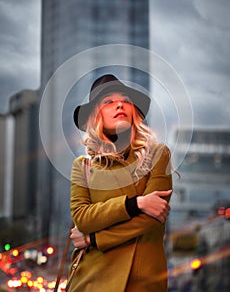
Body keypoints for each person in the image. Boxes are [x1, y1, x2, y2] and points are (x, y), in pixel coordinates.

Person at [69, 74, 173, 292]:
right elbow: (83, 218)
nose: (119, 104)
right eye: (108, 101)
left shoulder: (157, 155)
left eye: (125, 99)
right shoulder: (83, 166)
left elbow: (152, 216)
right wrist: (136, 203)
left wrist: (94, 239)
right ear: (95, 117)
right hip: (91, 281)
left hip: (142, 282)